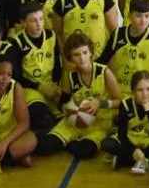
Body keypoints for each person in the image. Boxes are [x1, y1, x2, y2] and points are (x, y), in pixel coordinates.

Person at [37, 31, 123, 160]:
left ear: (90, 52)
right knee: (45, 147)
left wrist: (100, 103)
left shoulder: (104, 72)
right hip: (74, 122)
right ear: (70, 57)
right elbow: (63, 104)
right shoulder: (70, 76)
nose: (82, 58)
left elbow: (121, 102)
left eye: (85, 53)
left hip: (98, 124)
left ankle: (71, 143)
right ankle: (57, 137)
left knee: (84, 151)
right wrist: (69, 108)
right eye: (76, 55)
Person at [105, 71, 149, 173]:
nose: (145, 94)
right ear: (133, 91)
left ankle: (126, 160)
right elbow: (122, 135)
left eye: (148, 89)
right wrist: (133, 150)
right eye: (140, 90)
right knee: (107, 143)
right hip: (131, 142)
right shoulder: (125, 105)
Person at [98, 0, 149, 97]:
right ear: (129, 16)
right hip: (118, 91)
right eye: (138, 16)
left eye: (147, 16)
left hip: (143, 94)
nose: (143, 20)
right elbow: (102, 62)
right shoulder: (118, 34)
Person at [12, 0, 62, 135]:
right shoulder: (16, 42)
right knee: (38, 112)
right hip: (30, 88)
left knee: (74, 110)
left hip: (52, 86)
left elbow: (58, 64)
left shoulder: (51, 36)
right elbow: (16, 77)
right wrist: (38, 87)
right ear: (23, 22)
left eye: (41, 19)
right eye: (33, 20)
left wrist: (56, 84)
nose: (39, 24)